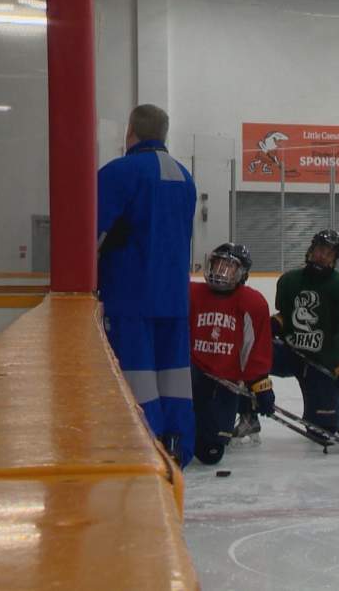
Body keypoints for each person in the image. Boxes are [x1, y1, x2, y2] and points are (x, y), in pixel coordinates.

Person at [97, 104, 198, 466]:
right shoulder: (185, 177)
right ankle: (178, 448)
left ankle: (146, 454)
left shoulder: (118, 172)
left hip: (131, 296)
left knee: (136, 380)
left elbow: (91, 233)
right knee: (174, 379)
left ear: (131, 131)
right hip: (174, 299)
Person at [188, 243, 273, 464]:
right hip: (193, 375)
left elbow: (255, 348)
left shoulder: (252, 302)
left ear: (242, 273)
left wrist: (261, 384)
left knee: (210, 453)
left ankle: (246, 412)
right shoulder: (192, 293)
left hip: (226, 383)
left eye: (229, 267)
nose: (220, 272)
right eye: (218, 265)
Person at [270, 229, 339, 436]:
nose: (322, 256)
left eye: (329, 253)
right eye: (319, 250)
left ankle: (333, 407)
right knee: (245, 354)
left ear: (334, 259)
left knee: (321, 432)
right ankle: (248, 414)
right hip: (291, 353)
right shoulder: (288, 281)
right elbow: (286, 315)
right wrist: (273, 325)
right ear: (311, 250)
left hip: (321, 361)